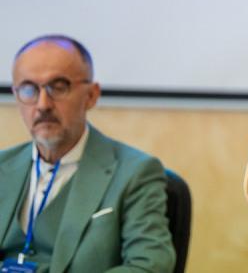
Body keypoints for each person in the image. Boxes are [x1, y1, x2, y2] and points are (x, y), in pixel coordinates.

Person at [0, 35, 176, 272]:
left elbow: (149, 265)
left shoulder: (135, 173)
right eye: (29, 89)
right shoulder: (3, 166)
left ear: (91, 95)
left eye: (58, 87)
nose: (42, 104)